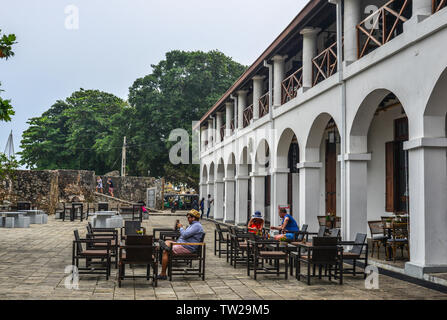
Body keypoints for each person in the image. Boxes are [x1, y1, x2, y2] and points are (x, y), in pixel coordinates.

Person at [157, 209, 204, 280]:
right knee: (167, 242)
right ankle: (167, 247)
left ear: (193, 218)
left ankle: (163, 274)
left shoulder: (196, 226)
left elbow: (184, 235)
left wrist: (181, 227)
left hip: (187, 247)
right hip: (182, 244)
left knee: (165, 252)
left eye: (189, 217)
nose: (188, 219)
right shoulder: (193, 225)